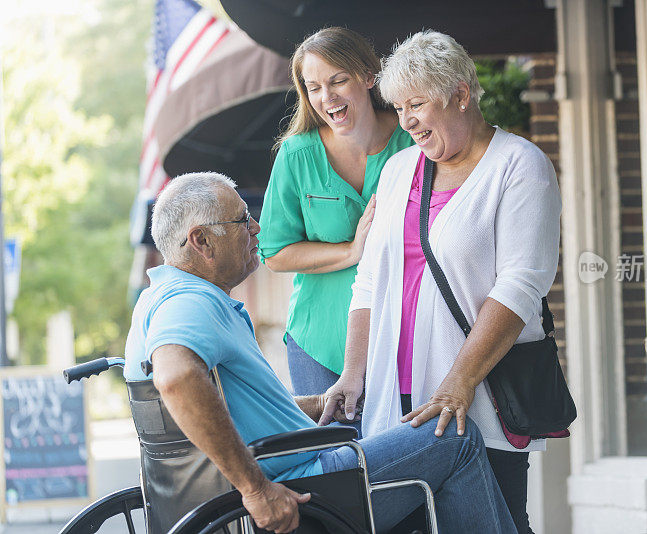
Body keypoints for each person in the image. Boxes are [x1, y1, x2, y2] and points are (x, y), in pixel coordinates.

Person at [124, 172, 515, 534]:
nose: (256, 228)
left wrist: (318, 403)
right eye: (243, 221)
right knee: (454, 439)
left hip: (285, 470)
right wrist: (257, 491)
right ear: (202, 241)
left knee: (390, 428)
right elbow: (176, 377)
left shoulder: (156, 297)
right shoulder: (190, 302)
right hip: (304, 486)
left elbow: (237, 409)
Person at [321, 31, 562, 534]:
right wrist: (352, 373)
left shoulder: (519, 166)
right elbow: (368, 283)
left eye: (417, 104)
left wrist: (460, 381)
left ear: (460, 94)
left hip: (479, 402)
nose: (405, 120)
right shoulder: (399, 169)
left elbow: (521, 285)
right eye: (397, 106)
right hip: (395, 406)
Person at [257, 27, 414, 405]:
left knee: (402, 457)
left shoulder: (413, 141)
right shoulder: (296, 156)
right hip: (319, 344)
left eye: (338, 80)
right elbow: (275, 253)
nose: (326, 97)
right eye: (313, 87)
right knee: (334, 460)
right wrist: (349, 251)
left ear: (368, 76)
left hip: (404, 335)